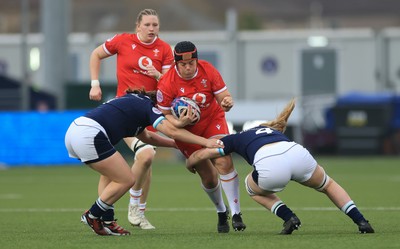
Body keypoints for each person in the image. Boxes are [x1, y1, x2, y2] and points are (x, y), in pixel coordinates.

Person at [186, 98, 375, 235]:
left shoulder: (235, 138)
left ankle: (288, 217)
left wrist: (190, 163)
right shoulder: (271, 131)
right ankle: (361, 221)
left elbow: (202, 154)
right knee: (328, 185)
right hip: (297, 153)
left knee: (252, 188)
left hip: (270, 165)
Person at [65, 89, 224, 236]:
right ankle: (92, 215)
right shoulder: (148, 105)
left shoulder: (136, 104)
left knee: (113, 177)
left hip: (76, 131)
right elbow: (170, 130)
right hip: (90, 134)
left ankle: (107, 221)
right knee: (126, 179)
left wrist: (176, 145)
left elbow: (148, 137)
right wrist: (204, 142)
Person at [88, 9, 174, 229]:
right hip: (123, 113)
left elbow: (169, 84)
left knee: (143, 161)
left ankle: (133, 210)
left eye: (155, 25)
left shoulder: (164, 49)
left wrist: (156, 74)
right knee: (144, 155)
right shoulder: (123, 41)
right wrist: (95, 83)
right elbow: (96, 54)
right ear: (138, 26)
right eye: (147, 25)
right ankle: (124, 210)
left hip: (147, 112)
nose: (152, 29)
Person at [156, 41, 246, 233]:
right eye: (183, 65)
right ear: (176, 64)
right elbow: (166, 118)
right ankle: (222, 211)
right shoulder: (166, 83)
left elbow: (224, 98)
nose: (188, 68)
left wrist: (227, 103)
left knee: (223, 159)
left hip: (213, 120)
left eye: (192, 63)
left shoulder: (208, 70)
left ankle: (237, 213)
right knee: (208, 177)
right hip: (187, 131)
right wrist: (180, 122)